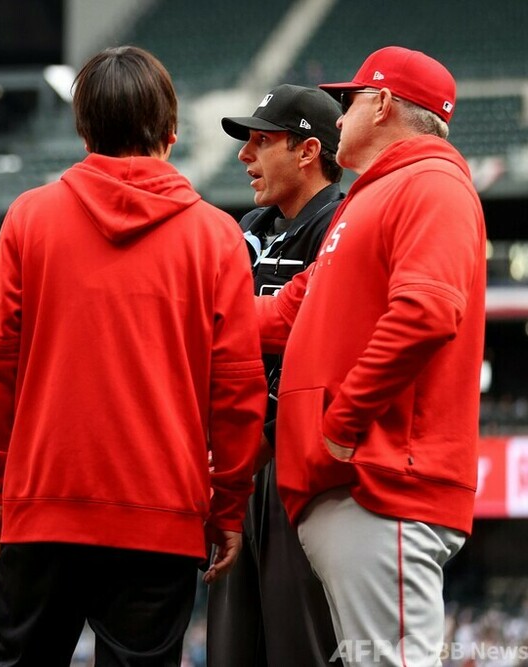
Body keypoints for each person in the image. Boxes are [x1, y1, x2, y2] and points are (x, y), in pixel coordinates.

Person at [0, 45, 266, 666]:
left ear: (84, 131)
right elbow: (237, 390)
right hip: (161, 517)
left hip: (44, 507)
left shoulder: (29, 218)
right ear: (171, 131)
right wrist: (228, 506)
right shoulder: (217, 236)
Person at [256, 46, 485, 667]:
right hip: (353, 486)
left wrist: (342, 422)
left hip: (382, 484)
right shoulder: (370, 198)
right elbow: (285, 313)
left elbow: (427, 313)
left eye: (350, 100)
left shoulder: (432, 183)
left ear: (383, 103)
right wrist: (178, 314)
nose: (339, 116)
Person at [207, 83, 345, 667]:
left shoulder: (339, 223)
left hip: (298, 460)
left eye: (261, 141)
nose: (245, 155)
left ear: (308, 151)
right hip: (240, 461)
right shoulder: (251, 224)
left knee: (297, 645)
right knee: (232, 645)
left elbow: (321, 345)